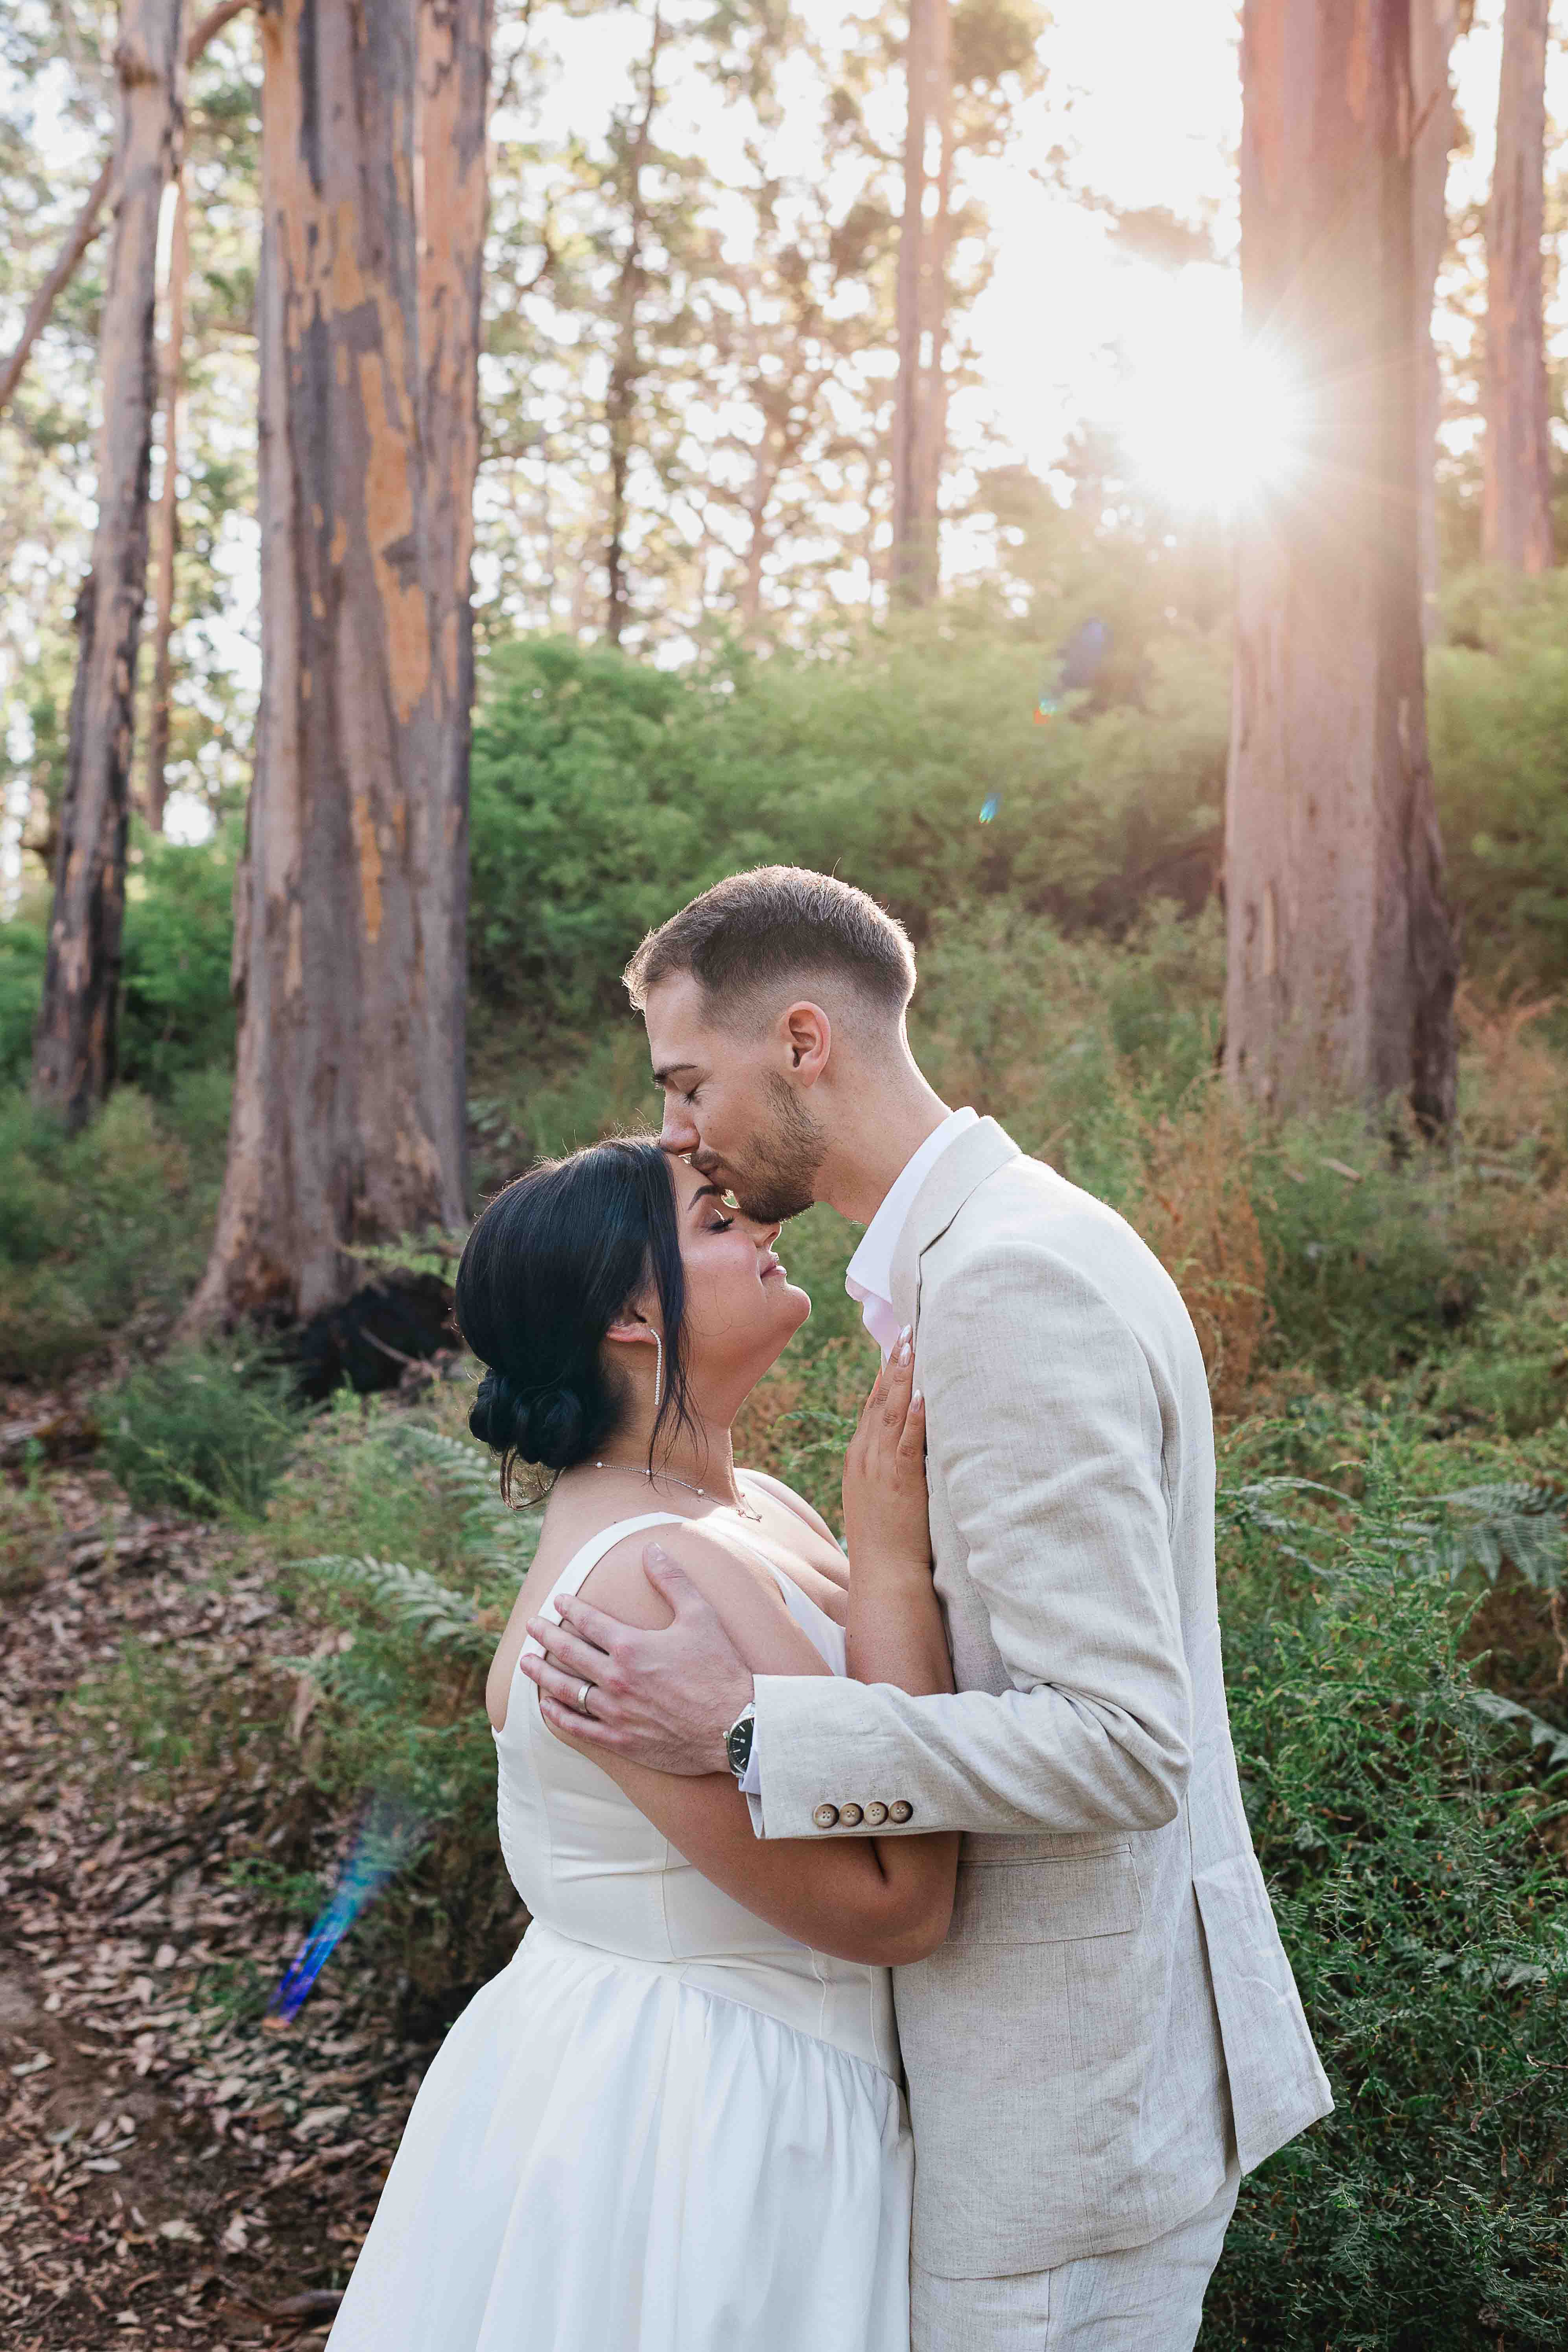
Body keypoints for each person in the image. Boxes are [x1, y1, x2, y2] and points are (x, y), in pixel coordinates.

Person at [524, 864, 1334, 2352]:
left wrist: (752, 1728)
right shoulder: (985, 1250)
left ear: (805, 1043)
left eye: (689, 1083)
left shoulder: (1012, 1280)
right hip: (1045, 2095)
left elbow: (1122, 1743)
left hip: (1059, 2112)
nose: (676, 1134)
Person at [325, 1134, 957, 2352]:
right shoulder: (639, 1586)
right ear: (630, 1312)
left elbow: (892, 1721)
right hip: (705, 2123)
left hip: (762, 2077)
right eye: (717, 1221)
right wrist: (885, 1547)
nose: (764, 1229)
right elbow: (897, 1908)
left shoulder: (750, 1505)